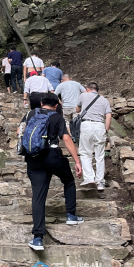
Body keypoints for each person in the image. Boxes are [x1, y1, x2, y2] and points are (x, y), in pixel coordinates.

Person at [19, 93, 83, 251]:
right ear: (56, 106)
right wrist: (77, 161)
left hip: (34, 158)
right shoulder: (57, 117)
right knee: (68, 181)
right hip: (53, 156)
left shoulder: (30, 114)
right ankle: (71, 216)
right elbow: (66, 139)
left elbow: (19, 132)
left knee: (38, 196)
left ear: (41, 103)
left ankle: (38, 238)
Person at [77, 82, 112, 191]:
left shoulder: (83, 95)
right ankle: (100, 182)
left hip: (86, 125)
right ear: (98, 91)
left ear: (87, 89)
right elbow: (108, 116)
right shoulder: (104, 100)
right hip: (100, 126)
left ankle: (89, 178)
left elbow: (77, 110)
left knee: (85, 153)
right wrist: (106, 130)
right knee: (100, 156)